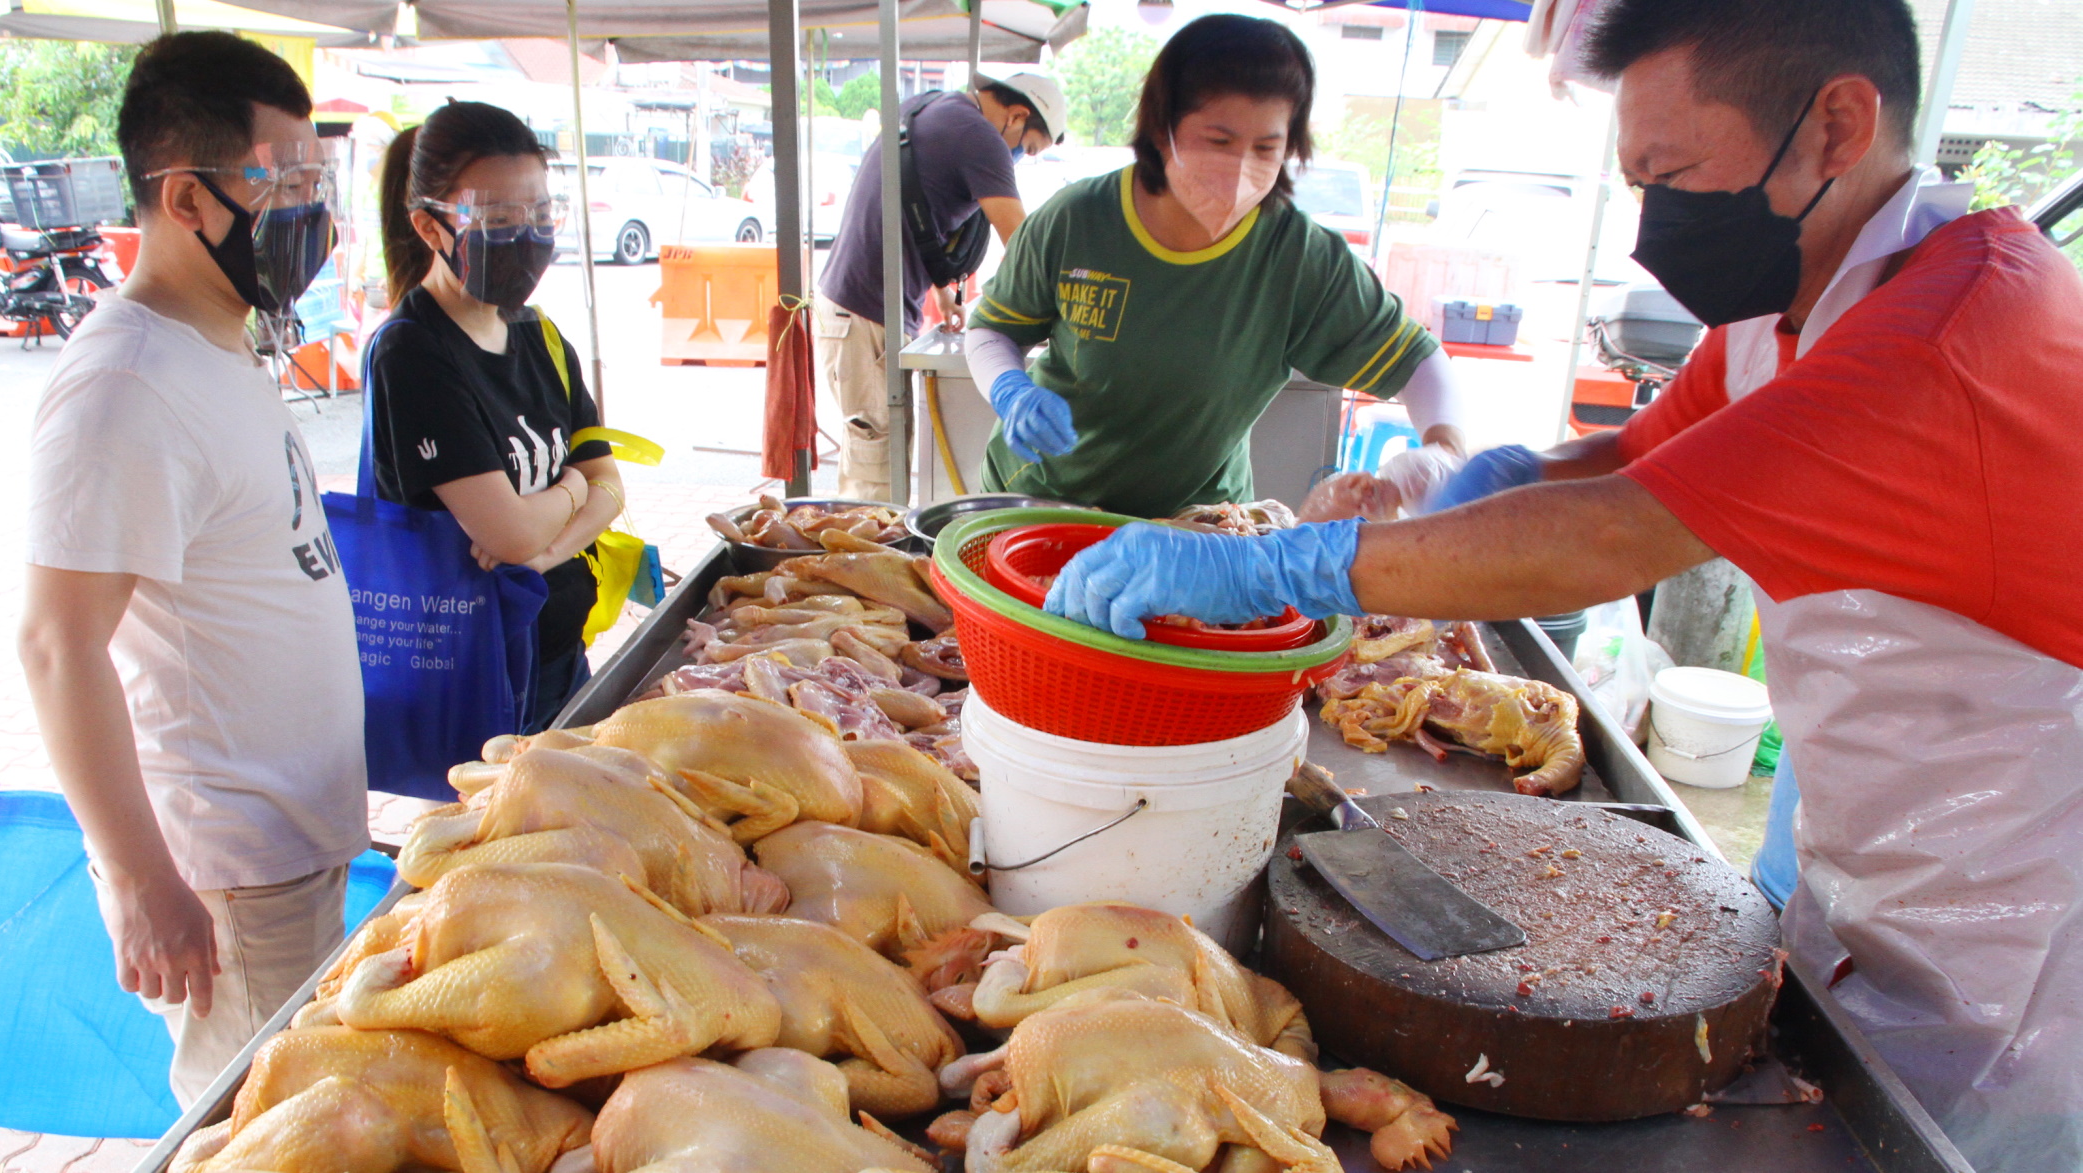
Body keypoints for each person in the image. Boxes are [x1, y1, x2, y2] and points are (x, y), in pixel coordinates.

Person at [1046, 1, 2083, 1167]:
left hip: (2011, 939)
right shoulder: (1794, 304)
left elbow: (1617, 534)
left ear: (1837, 124)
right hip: (1866, 847)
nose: (1655, 221)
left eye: (1676, 174)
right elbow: (1634, 458)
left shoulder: (1947, 334)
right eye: (1638, 180)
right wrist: (1506, 475)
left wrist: (1289, 565)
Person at [17, 32, 363, 1107]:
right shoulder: (125, 383)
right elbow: (53, 643)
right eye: (288, 183)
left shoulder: (221, 338)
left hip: (290, 843)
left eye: (320, 180)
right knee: (261, 1125)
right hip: (226, 872)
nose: (316, 212)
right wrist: (140, 878)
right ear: (187, 199)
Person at [964, 14, 1467, 520]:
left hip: (1195, 526)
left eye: (1266, 148)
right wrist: (1011, 390)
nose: (1240, 168)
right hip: (1044, 501)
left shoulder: (1297, 257)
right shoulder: (1076, 220)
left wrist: (1444, 449)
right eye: (1218, 142)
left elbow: (1418, 362)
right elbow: (991, 330)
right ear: (1163, 132)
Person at [370, 101, 623, 732]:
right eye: (499, 218)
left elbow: (612, 490)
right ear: (430, 229)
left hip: (562, 655)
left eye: (540, 214)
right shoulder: (414, 353)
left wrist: (544, 553)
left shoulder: (540, 338)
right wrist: (570, 489)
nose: (527, 235)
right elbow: (509, 532)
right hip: (478, 676)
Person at [817, 68, 1065, 500]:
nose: (1018, 158)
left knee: (880, 458)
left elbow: (908, 208)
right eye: (1026, 148)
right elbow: (1024, 246)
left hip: (855, 306)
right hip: (865, 310)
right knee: (875, 474)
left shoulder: (932, 106)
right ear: (1016, 115)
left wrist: (941, 290)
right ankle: (857, 565)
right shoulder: (981, 137)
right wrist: (1061, 312)